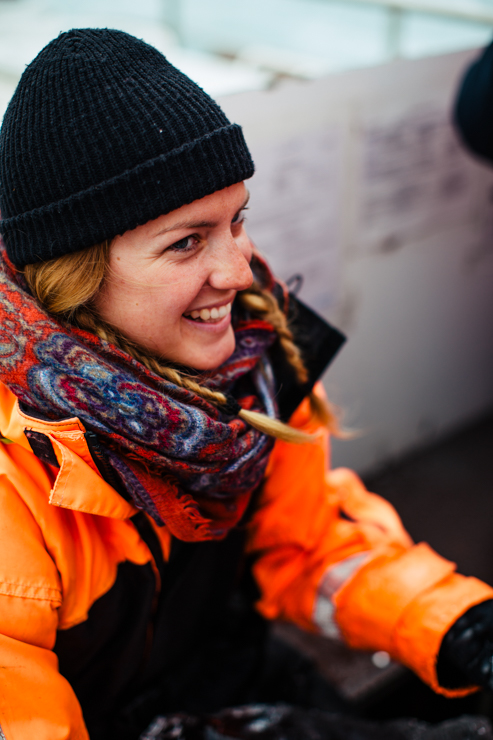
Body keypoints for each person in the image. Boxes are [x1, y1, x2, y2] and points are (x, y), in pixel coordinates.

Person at [1, 28, 493, 740]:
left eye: (237, 221)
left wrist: (458, 623)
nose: (238, 272)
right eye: (185, 242)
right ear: (74, 278)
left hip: (229, 672)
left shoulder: (248, 358)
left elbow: (305, 542)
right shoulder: (16, 479)